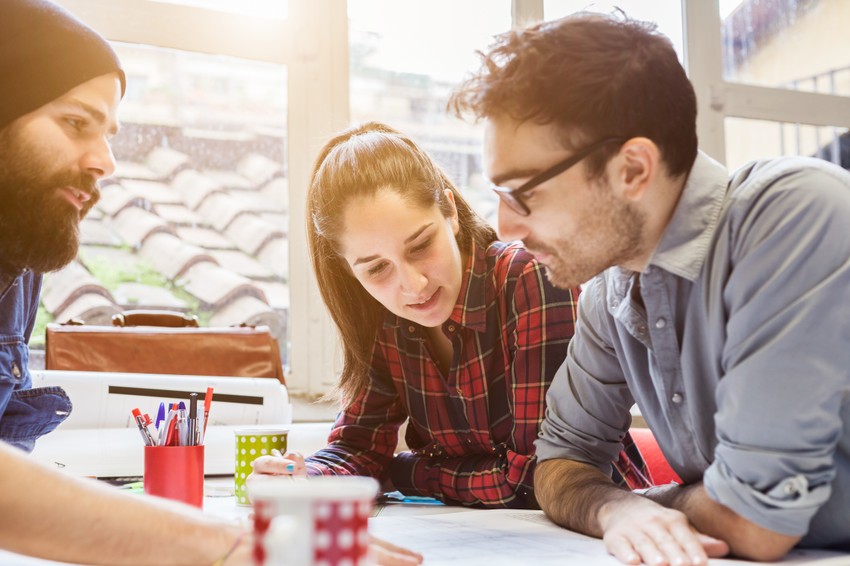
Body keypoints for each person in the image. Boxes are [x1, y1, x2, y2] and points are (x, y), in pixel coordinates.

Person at [0, 2, 420, 564]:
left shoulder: (18, 261)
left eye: (109, 134)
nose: (106, 161)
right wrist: (241, 547)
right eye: (76, 122)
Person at [450, 10, 850, 565]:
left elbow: (757, 527)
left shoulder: (793, 215)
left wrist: (650, 498)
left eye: (522, 194)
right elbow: (559, 466)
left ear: (633, 169)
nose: (505, 227)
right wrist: (619, 510)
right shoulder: (610, 291)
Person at [252, 122, 650, 507]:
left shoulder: (529, 277)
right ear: (349, 270)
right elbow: (359, 449)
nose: (413, 285)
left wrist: (409, 471)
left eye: (420, 245)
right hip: (485, 540)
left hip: (602, 530)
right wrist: (304, 477)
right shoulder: (381, 318)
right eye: (376, 269)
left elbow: (534, 477)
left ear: (451, 213)